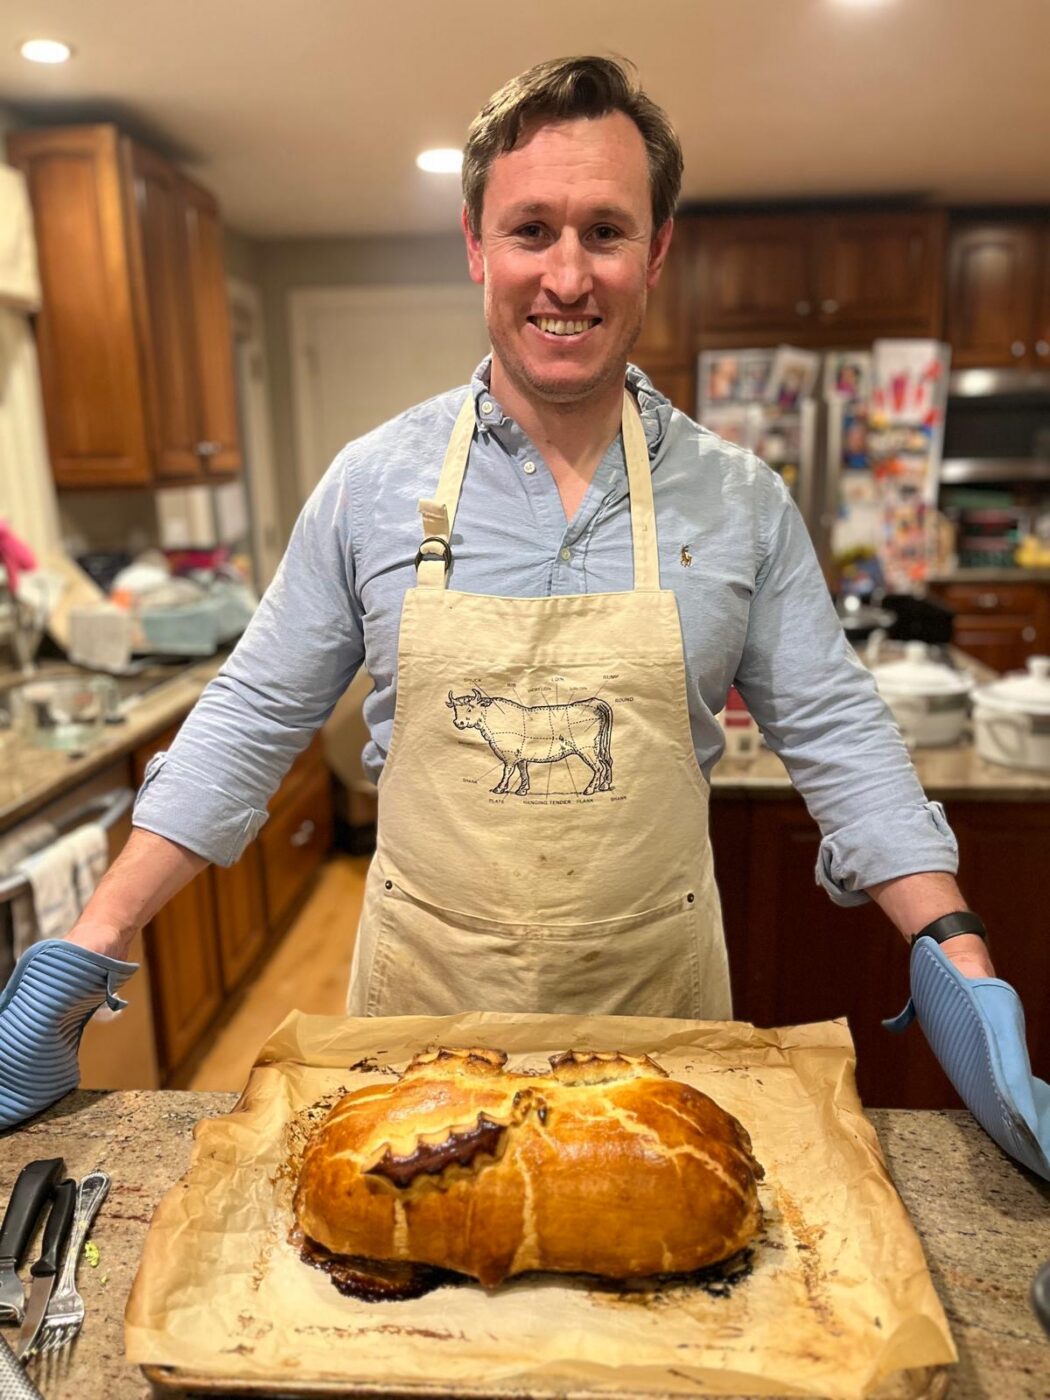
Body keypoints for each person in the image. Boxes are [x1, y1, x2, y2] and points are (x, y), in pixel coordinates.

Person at [0, 55, 1010, 1130]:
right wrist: (92, 934)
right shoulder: (371, 483)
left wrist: (954, 944)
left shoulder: (740, 500)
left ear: (656, 250)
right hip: (423, 1018)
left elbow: (839, 732)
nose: (567, 277)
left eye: (605, 233)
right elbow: (251, 716)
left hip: (655, 1017)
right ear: (476, 242)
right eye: (532, 230)